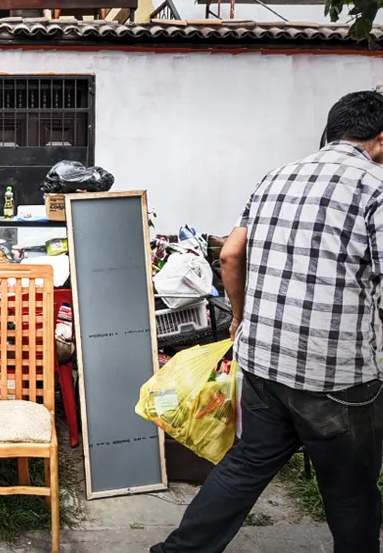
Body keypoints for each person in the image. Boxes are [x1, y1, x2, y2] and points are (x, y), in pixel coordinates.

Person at [153, 91, 383, 553]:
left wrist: (240, 317)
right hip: (335, 376)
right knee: (352, 493)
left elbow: (231, 253)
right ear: (380, 138)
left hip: (262, 361)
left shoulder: (275, 177)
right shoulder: (374, 188)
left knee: (245, 467)